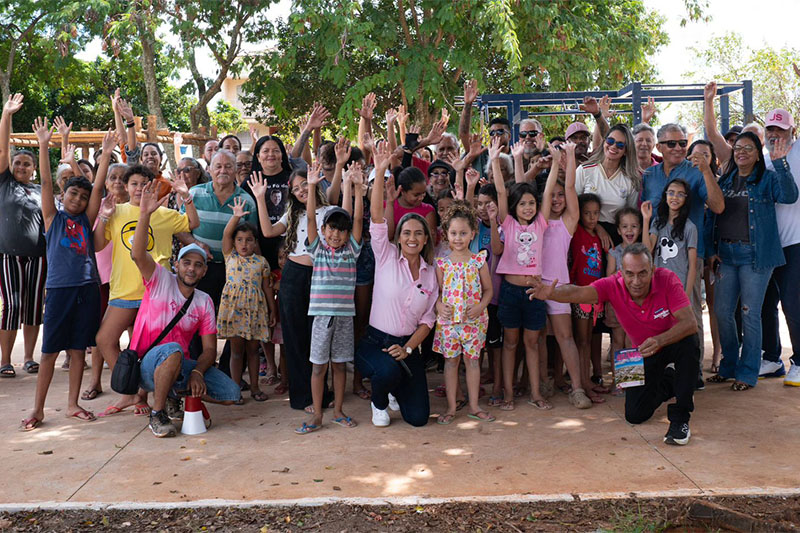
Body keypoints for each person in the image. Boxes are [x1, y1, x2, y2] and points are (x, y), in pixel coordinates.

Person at [528, 244, 700, 445]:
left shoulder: (667, 278)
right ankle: (673, 381)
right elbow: (579, 292)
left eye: (643, 273)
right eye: (630, 274)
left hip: (670, 342)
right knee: (634, 415)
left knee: (690, 342)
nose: (636, 281)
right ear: (621, 273)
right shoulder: (612, 285)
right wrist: (552, 294)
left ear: (652, 270)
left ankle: (681, 420)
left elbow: (690, 323)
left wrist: (660, 340)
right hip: (640, 352)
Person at [18, 120, 111, 431]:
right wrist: (45, 144)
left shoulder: (85, 219)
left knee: (77, 349)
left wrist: (107, 155)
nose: (78, 200)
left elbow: (97, 187)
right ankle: (38, 408)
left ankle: (72, 404)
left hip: (87, 288)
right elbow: (45, 180)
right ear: (63, 194)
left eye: (82, 198)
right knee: (49, 352)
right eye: (73, 194)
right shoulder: (52, 217)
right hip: (59, 290)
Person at [128, 183, 239, 438]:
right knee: (173, 349)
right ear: (176, 265)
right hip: (147, 365)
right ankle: (158, 413)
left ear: (204, 271)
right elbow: (137, 254)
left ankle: (174, 394)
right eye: (186, 263)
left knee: (231, 394)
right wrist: (144, 215)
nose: (191, 269)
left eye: (198, 265)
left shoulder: (203, 301)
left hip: (181, 366)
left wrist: (198, 373)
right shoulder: (159, 280)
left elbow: (210, 350)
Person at [93, 163, 198, 417]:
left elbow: (192, 222)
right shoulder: (116, 211)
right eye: (134, 184)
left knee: (148, 348)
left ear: (152, 186)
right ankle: (131, 392)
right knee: (104, 340)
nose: (139, 188)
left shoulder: (163, 214)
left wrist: (185, 195)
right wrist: (105, 215)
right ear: (126, 187)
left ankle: (143, 396)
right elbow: (97, 245)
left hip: (156, 294)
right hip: (122, 291)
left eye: (144, 184)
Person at [706, 132, 798, 390]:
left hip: (756, 256)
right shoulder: (725, 181)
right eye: (737, 148)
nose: (741, 151)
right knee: (723, 312)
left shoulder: (767, 178)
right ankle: (729, 366)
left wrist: (780, 163)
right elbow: (713, 217)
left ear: (758, 154)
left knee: (749, 313)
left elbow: (789, 196)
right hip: (726, 254)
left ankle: (747, 374)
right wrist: (712, 250)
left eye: (748, 147)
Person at [355, 141, 438, 427]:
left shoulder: (431, 273)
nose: (412, 238)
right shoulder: (386, 255)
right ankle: (379, 401)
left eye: (418, 233)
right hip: (376, 343)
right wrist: (379, 172)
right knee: (387, 370)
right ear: (398, 236)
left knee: (418, 419)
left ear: (426, 238)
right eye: (406, 233)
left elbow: (428, 319)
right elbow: (377, 219)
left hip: (408, 346)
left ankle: (396, 385)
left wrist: (410, 349)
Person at [250, 167, 333, 412]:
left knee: (317, 338)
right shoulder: (292, 212)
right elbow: (267, 231)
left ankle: (321, 392)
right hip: (293, 277)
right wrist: (259, 198)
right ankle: (303, 397)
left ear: (315, 182)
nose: (300, 191)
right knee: (295, 339)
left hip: (321, 277)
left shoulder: (330, 212)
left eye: (304, 185)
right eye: (295, 189)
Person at [642, 123, 725, 367]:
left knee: (690, 312)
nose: (678, 148)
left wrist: (707, 171)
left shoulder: (696, 171)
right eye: (671, 143)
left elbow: (718, 207)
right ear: (659, 147)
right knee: (658, 313)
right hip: (656, 260)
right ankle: (663, 369)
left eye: (682, 143)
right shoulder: (649, 176)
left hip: (690, 257)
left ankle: (693, 371)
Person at [296, 162, 364, 434]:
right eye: (331, 229)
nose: (336, 234)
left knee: (339, 365)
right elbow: (311, 218)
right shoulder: (318, 251)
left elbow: (358, 219)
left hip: (345, 317)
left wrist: (358, 189)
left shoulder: (352, 252)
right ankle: (317, 416)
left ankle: (337, 410)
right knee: (318, 367)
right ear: (324, 231)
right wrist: (312, 186)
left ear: (347, 234)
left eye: (341, 230)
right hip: (322, 317)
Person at [490, 135, 552, 411]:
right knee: (510, 344)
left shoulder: (540, 223)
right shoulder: (509, 224)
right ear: (514, 208)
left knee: (532, 344)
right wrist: (494, 160)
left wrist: (559, 159)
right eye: (523, 203)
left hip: (534, 292)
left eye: (532, 203)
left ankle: (536, 394)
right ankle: (508, 396)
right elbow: (503, 192)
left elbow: (548, 192)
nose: (528, 207)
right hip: (511, 292)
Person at [538, 142, 592, 408]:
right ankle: (539, 385)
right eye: (554, 196)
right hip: (536, 285)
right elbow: (547, 194)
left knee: (565, 337)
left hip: (560, 287)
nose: (558, 199)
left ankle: (577, 388)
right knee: (535, 338)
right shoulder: (540, 220)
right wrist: (554, 168)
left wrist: (569, 157)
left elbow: (570, 188)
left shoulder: (567, 224)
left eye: (561, 196)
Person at [434, 202, 494, 425]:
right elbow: (437, 293)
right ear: (446, 234)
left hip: (474, 322)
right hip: (449, 323)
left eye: (463, 233)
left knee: (473, 362)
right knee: (450, 363)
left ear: (472, 234)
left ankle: (474, 405)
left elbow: (488, 290)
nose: (458, 238)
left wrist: (480, 306)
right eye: (453, 233)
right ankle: (451, 406)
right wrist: (439, 305)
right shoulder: (442, 264)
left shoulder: (478, 260)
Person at [0, 94, 45, 378]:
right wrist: (6, 116)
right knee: (13, 305)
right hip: (8, 254)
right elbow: (3, 151)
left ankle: (29, 358)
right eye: (18, 163)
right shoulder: (4, 183)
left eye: (27, 164)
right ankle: (5, 360)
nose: (21, 167)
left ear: (34, 168)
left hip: (39, 255)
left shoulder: (42, 190)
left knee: (33, 307)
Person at [217, 198, 276, 403]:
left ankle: (255, 388)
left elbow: (267, 288)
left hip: (255, 311)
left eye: (249, 240)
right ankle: (234, 390)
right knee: (236, 352)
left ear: (255, 242)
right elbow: (226, 234)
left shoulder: (262, 263)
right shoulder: (230, 257)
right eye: (240, 239)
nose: (244, 244)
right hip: (234, 311)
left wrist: (272, 311)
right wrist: (236, 216)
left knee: (253, 351)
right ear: (234, 243)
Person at [760, 108, 800, 386]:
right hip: (768, 246)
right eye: (770, 130)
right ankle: (772, 358)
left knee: (793, 304)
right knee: (765, 305)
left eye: (781, 130)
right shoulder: (761, 159)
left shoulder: (797, 152)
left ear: (792, 132)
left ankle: (799, 361)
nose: (775, 134)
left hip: (796, 242)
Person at [575, 124, 640, 245]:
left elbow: (629, 215)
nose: (614, 146)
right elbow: (573, 206)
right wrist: (597, 228)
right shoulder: (585, 170)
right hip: (585, 232)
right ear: (604, 141)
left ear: (626, 151)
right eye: (610, 141)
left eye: (620, 145)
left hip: (616, 238)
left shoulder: (631, 180)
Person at [570, 193, 606, 402]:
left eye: (596, 214)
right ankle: (583, 383)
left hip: (594, 295)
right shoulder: (577, 233)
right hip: (579, 292)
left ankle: (587, 380)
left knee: (588, 339)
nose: (592, 218)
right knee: (581, 341)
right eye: (587, 213)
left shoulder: (597, 236)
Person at [605, 207, 643, 382]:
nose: (629, 230)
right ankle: (618, 381)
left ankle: (630, 381)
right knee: (617, 340)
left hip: (637, 304)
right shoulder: (615, 252)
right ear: (618, 230)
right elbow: (609, 275)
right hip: (617, 302)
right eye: (625, 226)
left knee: (632, 340)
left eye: (634, 226)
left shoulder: (642, 252)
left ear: (640, 229)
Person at [641, 180, 698, 295]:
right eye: (671, 193)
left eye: (680, 194)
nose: (675, 197)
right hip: (658, 283)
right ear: (665, 195)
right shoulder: (658, 222)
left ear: (686, 199)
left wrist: (686, 294)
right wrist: (646, 220)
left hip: (678, 285)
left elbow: (692, 265)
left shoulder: (690, 227)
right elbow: (647, 250)